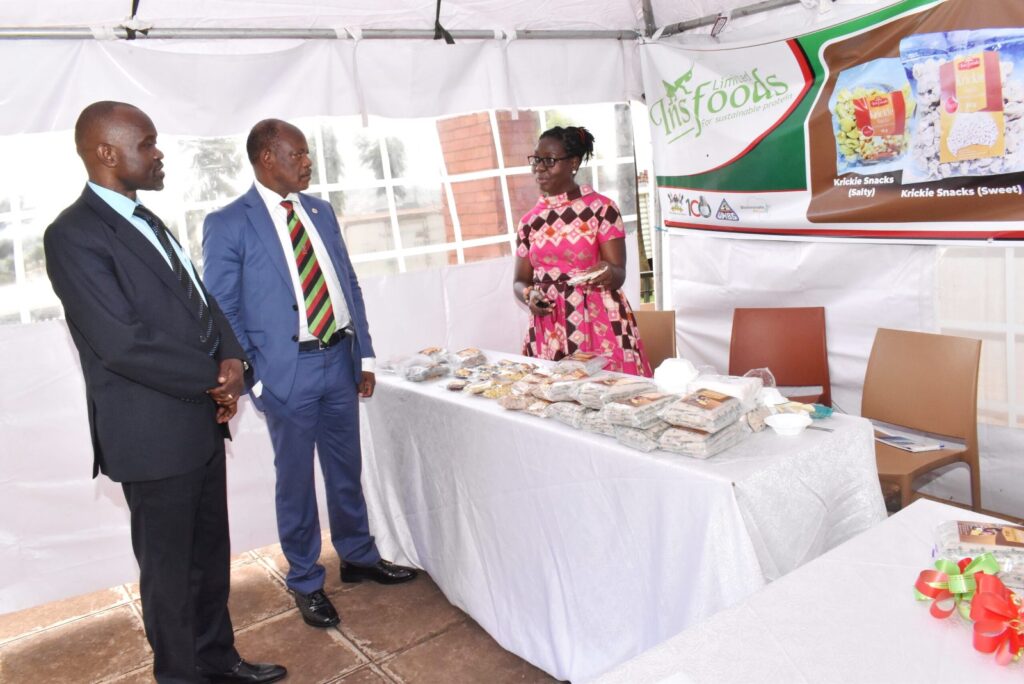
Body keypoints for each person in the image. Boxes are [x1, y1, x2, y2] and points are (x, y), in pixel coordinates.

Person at [44, 101, 286, 684]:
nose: (158, 154)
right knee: (170, 577)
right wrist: (213, 377)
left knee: (207, 564)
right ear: (107, 153)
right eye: (147, 143)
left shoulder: (147, 220)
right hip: (150, 437)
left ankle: (218, 662)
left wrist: (235, 362)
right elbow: (123, 343)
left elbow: (203, 305)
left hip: (199, 423)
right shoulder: (72, 235)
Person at [202, 119, 417, 630]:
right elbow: (222, 307)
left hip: (339, 359)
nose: (307, 162)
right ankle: (304, 579)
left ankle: (359, 557)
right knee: (295, 482)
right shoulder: (229, 222)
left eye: (306, 154)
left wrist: (363, 354)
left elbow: (348, 284)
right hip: (286, 371)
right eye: (297, 154)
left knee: (346, 469)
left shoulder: (319, 210)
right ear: (266, 157)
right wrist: (254, 374)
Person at [513, 126, 652, 376]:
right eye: (536, 159)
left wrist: (607, 270)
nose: (539, 167)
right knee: (551, 402)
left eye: (549, 160)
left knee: (611, 400)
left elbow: (618, 273)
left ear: (573, 163)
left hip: (598, 323)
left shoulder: (602, 209)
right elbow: (519, 280)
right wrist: (530, 295)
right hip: (549, 326)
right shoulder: (529, 221)